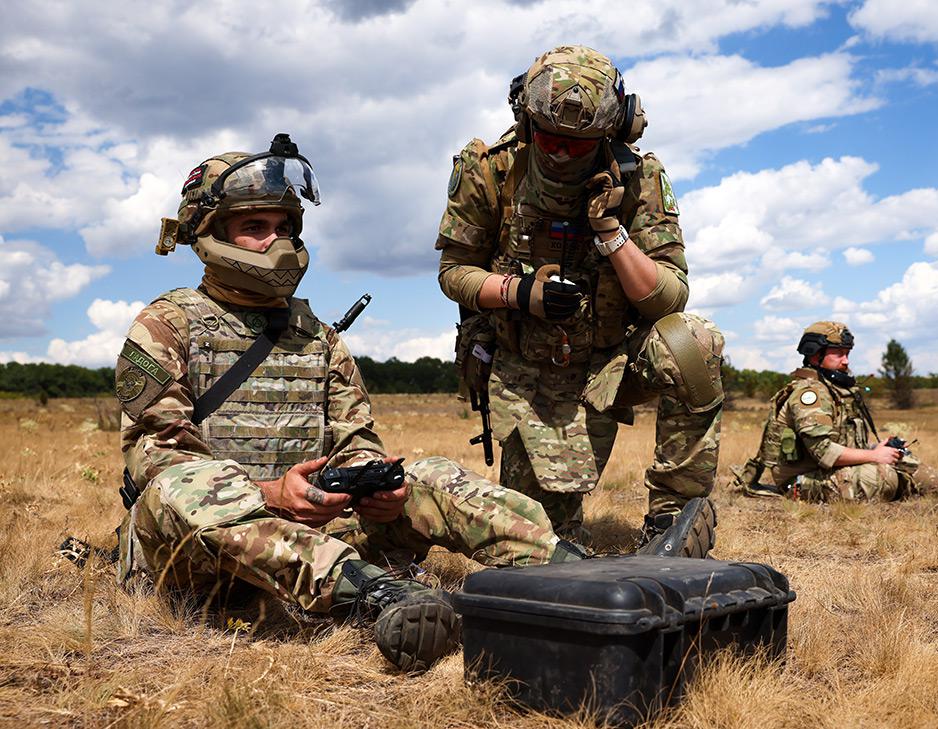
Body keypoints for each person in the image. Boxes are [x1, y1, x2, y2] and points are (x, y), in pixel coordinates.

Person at [115, 134, 596, 674]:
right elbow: (160, 459)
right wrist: (271, 493)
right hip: (193, 554)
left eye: (285, 227)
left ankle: (581, 574)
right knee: (184, 487)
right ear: (207, 234)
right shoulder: (166, 326)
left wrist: (373, 487)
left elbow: (355, 440)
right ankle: (378, 598)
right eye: (254, 227)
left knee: (428, 476)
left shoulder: (316, 335)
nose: (276, 241)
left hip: (314, 530)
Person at [435, 46, 724, 549]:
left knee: (693, 343)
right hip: (527, 366)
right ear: (525, 121)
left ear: (613, 131)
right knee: (542, 542)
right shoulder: (489, 169)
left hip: (610, 361)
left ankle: (673, 521)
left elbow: (669, 296)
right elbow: (454, 271)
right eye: (549, 138)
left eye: (580, 143)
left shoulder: (641, 179)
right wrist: (518, 292)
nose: (562, 153)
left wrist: (610, 233)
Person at [730, 321, 938, 502]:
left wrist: (879, 448)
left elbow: (844, 444)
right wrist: (875, 456)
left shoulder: (834, 389)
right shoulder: (811, 394)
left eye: (847, 353)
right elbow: (824, 452)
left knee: (901, 459)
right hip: (800, 481)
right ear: (816, 356)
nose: (845, 361)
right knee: (884, 474)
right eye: (838, 353)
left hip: (826, 472)